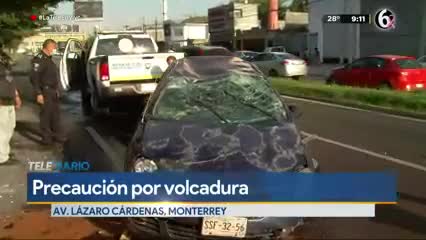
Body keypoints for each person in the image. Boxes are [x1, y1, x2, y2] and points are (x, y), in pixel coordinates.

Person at [30, 39, 65, 145]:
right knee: (46, 115)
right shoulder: (39, 59)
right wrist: (38, 93)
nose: (54, 49)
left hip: (52, 91)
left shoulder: (49, 59)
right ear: (48, 47)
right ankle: (46, 138)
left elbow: (52, 76)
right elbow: (34, 77)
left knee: (55, 115)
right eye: (53, 47)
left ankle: (57, 135)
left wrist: (57, 90)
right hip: (44, 91)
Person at [0, 43, 22, 164]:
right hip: (1, 101)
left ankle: (4, 152)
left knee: (10, 128)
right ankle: (2, 157)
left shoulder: (5, 63)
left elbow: (10, 81)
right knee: (2, 130)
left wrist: (17, 96)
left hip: (9, 100)